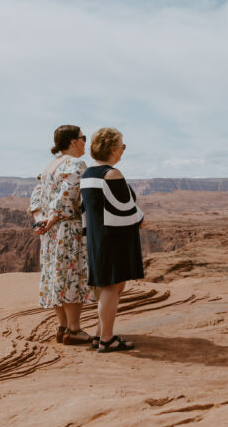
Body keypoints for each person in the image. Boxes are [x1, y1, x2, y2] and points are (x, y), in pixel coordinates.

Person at [29, 125, 95, 345]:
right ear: (73, 141)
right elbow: (68, 193)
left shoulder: (49, 167)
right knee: (72, 277)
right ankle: (74, 330)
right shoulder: (75, 163)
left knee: (57, 277)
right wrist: (55, 218)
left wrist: (42, 220)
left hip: (49, 232)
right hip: (68, 229)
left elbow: (36, 197)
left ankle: (63, 327)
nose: (85, 142)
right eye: (83, 138)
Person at [80, 127, 145, 353]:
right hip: (115, 238)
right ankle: (107, 339)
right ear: (112, 148)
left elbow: (86, 208)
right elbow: (127, 207)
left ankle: (100, 334)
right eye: (122, 146)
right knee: (112, 286)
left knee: (108, 286)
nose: (123, 151)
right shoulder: (112, 174)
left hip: (99, 237)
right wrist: (141, 220)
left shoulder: (88, 174)